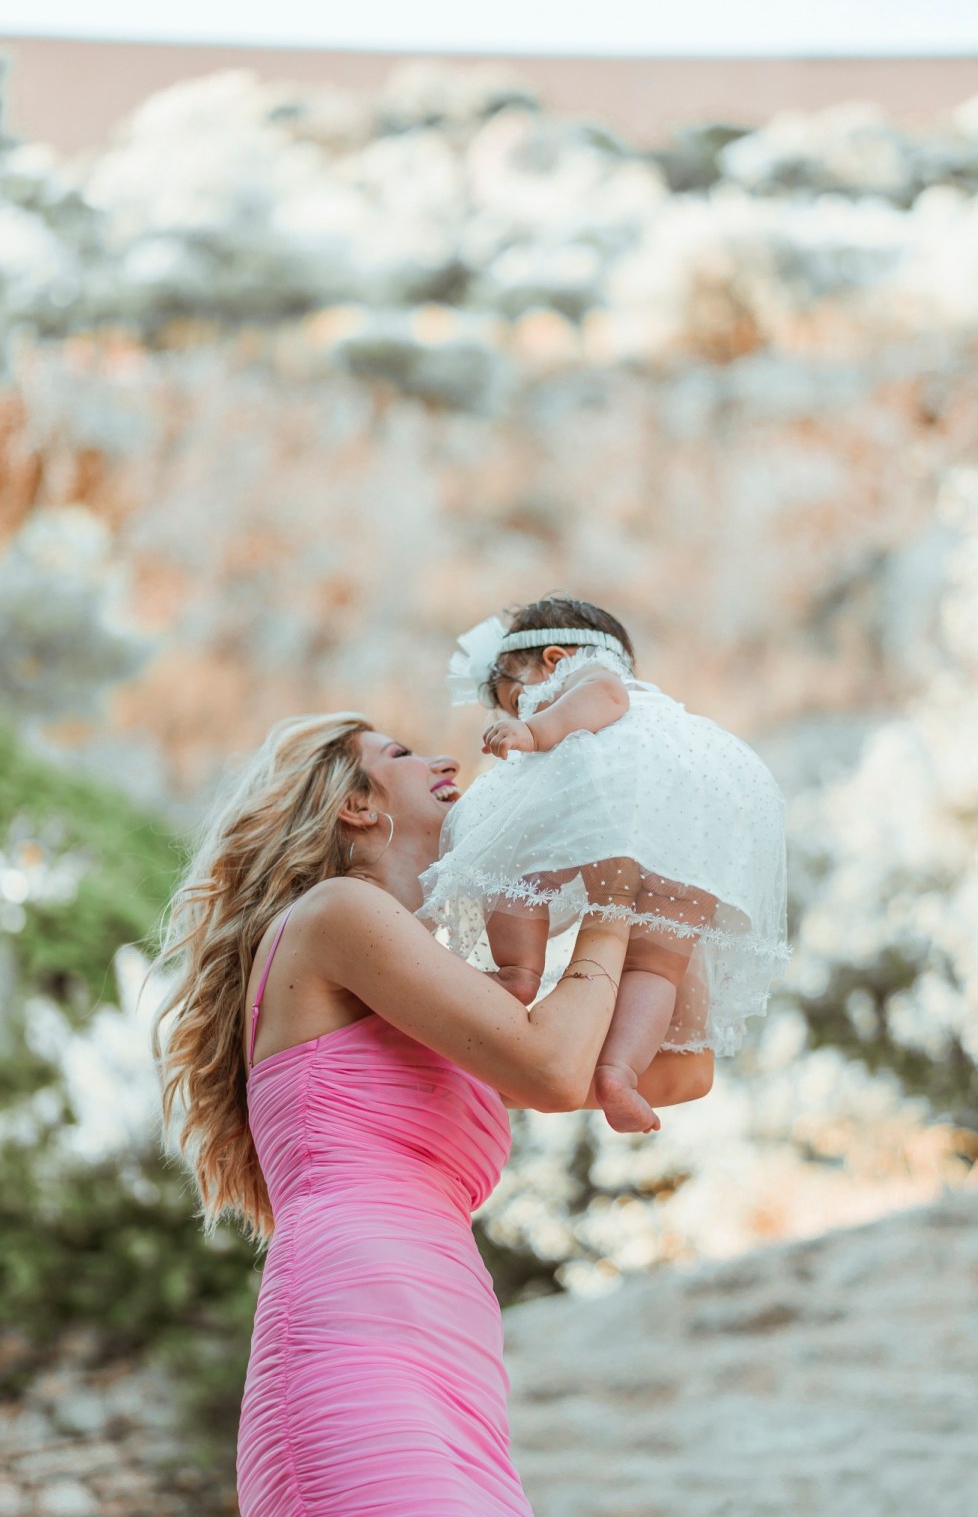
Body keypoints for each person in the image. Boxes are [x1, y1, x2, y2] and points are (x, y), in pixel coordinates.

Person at [153, 710, 714, 1517]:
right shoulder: (336, 914)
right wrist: (613, 897)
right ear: (356, 804)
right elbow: (553, 1069)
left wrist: (668, 910)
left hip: (449, 1344)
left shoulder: (428, 990)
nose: (445, 761)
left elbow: (682, 1071)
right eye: (402, 754)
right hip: (354, 1329)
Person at [419, 597, 789, 1136]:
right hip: (691, 828)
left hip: (617, 802)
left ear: (554, 659)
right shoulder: (668, 722)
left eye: (518, 701)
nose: (519, 718)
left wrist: (535, 731)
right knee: (655, 966)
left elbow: (605, 696)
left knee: (516, 868)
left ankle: (518, 973)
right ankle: (620, 1073)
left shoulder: (592, 677)